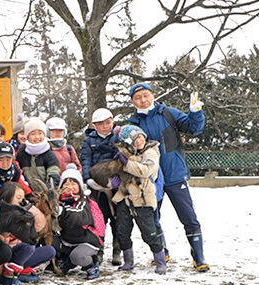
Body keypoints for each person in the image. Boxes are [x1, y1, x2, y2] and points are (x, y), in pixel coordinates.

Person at [127, 82, 209, 272]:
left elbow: (194, 128)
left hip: (174, 174)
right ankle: (161, 252)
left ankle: (199, 257)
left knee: (189, 217)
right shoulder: (133, 123)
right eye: (138, 98)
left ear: (153, 95)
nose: (143, 100)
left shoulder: (168, 113)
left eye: (146, 95)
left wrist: (195, 111)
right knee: (153, 217)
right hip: (150, 179)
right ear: (133, 102)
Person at [111, 125, 166, 274]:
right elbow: (116, 170)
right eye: (133, 139)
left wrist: (126, 163)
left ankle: (161, 261)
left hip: (142, 199)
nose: (138, 141)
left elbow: (145, 171)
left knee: (149, 232)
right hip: (125, 197)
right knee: (122, 231)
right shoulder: (124, 153)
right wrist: (115, 182)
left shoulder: (151, 151)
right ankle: (128, 261)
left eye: (139, 137)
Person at [81, 108, 121, 265]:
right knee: (98, 219)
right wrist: (88, 179)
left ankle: (118, 250)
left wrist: (119, 181)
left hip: (116, 185)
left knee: (118, 219)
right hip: (96, 186)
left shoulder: (118, 138)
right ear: (94, 125)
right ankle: (98, 249)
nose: (105, 126)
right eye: (100, 124)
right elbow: (85, 160)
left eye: (108, 122)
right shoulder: (88, 141)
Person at [0, 182, 56, 283]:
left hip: (21, 255)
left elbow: (40, 224)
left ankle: (18, 272)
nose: (22, 201)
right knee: (28, 246)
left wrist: (29, 206)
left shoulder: (24, 213)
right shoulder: (0, 214)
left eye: (23, 198)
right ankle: (9, 274)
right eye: (18, 197)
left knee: (50, 251)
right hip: (5, 257)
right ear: (8, 197)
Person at [53, 164, 105, 280]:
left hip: (87, 240)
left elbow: (81, 217)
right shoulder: (60, 202)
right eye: (66, 184)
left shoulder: (84, 201)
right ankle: (67, 260)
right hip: (68, 239)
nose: (70, 187)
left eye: (73, 183)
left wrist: (63, 212)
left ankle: (91, 263)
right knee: (50, 240)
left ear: (80, 186)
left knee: (77, 256)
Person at [15, 117, 61, 192]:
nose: (37, 137)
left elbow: (53, 175)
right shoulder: (22, 152)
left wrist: (47, 191)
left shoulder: (49, 153)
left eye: (40, 133)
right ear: (27, 136)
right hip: (26, 193)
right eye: (33, 134)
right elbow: (18, 174)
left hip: (45, 193)